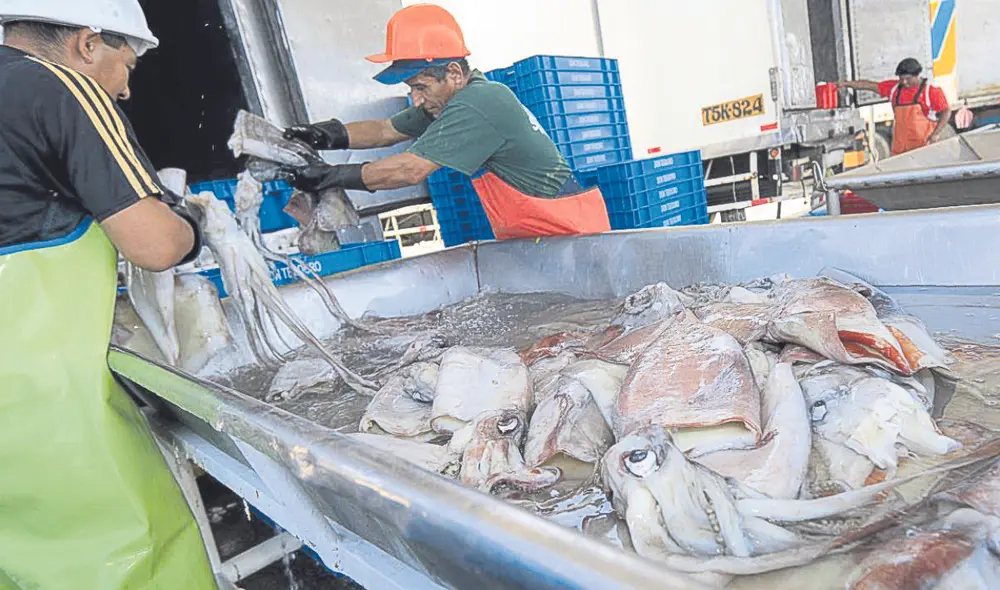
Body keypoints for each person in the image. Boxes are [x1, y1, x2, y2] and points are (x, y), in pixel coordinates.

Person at [0, 2, 217, 588]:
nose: (123, 89)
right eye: (128, 65)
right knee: (135, 559)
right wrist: (193, 227)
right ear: (87, 43)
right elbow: (152, 243)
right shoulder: (60, 87)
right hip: (41, 403)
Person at [282, 4, 611, 241]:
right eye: (411, 89)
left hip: (573, 235)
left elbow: (410, 170)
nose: (416, 99)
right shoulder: (447, 102)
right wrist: (323, 135)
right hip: (540, 236)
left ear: (453, 73)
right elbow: (385, 131)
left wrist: (330, 177)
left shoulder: (479, 103)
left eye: (420, 87)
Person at [838, 57, 954, 155]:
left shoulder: (931, 92)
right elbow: (868, 85)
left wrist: (936, 134)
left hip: (924, 150)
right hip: (900, 151)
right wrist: (846, 84)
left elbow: (946, 111)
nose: (904, 82)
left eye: (908, 79)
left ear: (918, 75)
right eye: (901, 79)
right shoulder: (894, 89)